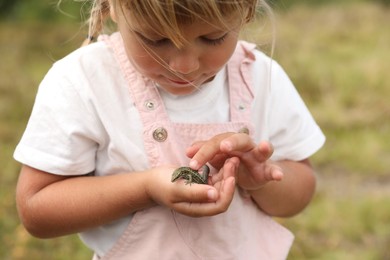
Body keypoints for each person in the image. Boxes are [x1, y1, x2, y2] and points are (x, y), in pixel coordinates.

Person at [14, 0, 325, 259]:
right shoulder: (82, 81)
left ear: (245, 12)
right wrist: (146, 188)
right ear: (111, 8)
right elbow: (37, 210)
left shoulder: (261, 76)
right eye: (155, 40)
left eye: (213, 38)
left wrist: (257, 180)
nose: (184, 66)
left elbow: (301, 190)